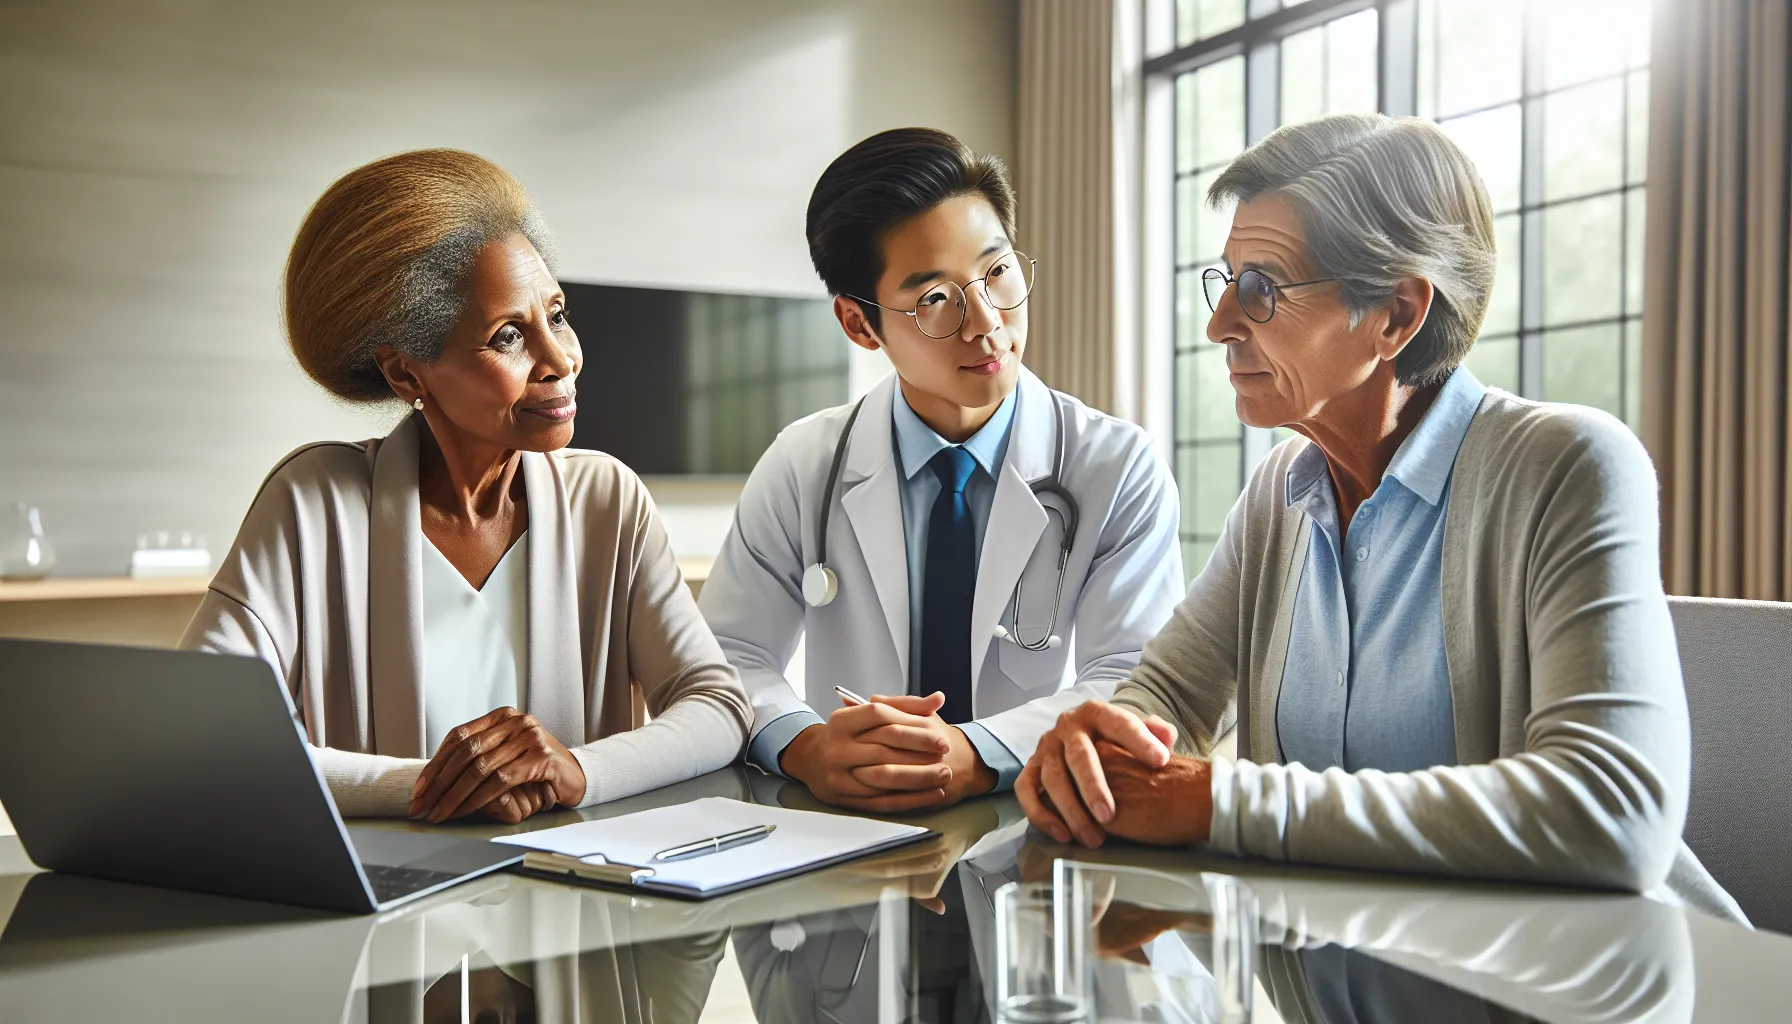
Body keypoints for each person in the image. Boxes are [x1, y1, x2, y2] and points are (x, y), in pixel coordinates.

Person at [1015, 114, 1742, 921]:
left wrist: (1218, 802)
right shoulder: (1277, 495)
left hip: (1609, 972)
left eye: (1262, 290)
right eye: (1227, 282)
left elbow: (1610, 813)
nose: (1220, 325)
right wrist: (1099, 750)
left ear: (1397, 314)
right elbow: (1171, 696)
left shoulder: (1569, 465)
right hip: (1357, 964)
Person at [181, 149, 751, 824]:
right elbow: (201, 735)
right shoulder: (312, 503)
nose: (561, 359)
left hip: (574, 891)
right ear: (406, 374)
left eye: (557, 315)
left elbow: (718, 707)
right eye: (508, 336)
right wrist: (433, 789)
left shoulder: (608, 500)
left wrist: (574, 771)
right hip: (379, 891)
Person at [698, 128, 1184, 813]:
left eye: (998, 271)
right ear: (859, 324)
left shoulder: (1116, 466)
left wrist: (977, 752)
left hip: (1037, 815)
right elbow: (727, 654)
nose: (985, 322)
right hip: (851, 826)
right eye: (933, 299)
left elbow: (1134, 675)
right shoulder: (803, 464)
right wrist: (804, 746)